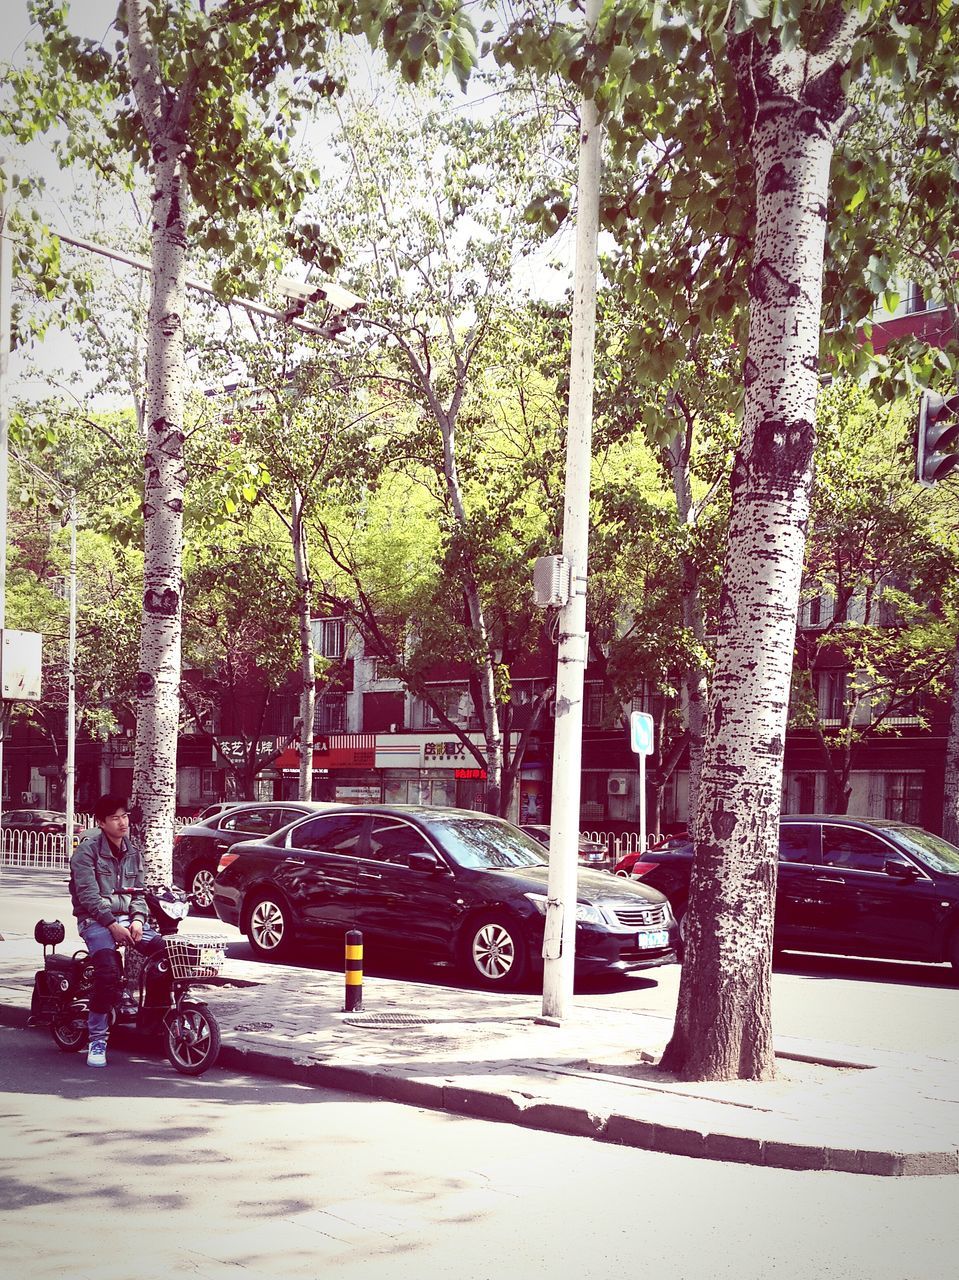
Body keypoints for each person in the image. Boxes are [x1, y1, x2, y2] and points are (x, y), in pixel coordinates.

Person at [69, 793, 158, 1067]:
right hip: (95, 920)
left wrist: (138, 920)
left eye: (125, 816)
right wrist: (111, 924)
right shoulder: (86, 851)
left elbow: (140, 894)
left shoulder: (134, 851)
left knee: (166, 955)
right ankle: (97, 1039)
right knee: (107, 974)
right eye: (115, 818)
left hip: (129, 920)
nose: (122, 822)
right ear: (101, 823)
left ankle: (154, 1024)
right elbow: (88, 896)